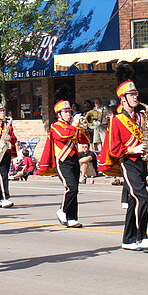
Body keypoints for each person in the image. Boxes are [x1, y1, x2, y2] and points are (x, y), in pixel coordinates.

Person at [98, 62, 148, 250]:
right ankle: (142, 236)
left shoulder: (141, 116)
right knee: (142, 197)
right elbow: (114, 149)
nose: (136, 97)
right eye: (132, 95)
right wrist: (133, 149)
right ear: (123, 99)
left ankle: (128, 239)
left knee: (133, 201)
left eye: (136, 94)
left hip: (142, 162)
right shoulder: (117, 120)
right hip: (129, 162)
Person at [37, 91, 90, 229]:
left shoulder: (73, 127)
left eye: (69, 111)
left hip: (74, 160)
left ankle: (72, 218)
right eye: (65, 112)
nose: (69, 114)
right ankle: (62, 210)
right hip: (63, 161)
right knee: (70, 187)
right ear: (59, 114)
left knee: (75, 189)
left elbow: (83, 141)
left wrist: (84, 130)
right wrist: (77, 127)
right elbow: (62, 136)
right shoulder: (56, 126)